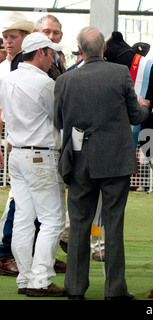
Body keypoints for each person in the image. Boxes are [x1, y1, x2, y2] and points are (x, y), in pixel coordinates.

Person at [54, 27, 151, 300]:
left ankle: (74, 288)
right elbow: (135, 116)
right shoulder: (120, 74)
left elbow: (59, 122)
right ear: (104, 50)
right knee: (113, 223)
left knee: (79, 225)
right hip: (115, 161)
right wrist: (146, 106)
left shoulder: (64, 81)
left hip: (78, 158)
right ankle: (115, 289)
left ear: (80, 50)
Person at [0, 32, 66, 297]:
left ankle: (26, 277)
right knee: (52, 220)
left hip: (17, 155)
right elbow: (58, 118)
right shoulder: (45, 84)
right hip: (40, 156)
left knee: (24, 220)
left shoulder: (7, 79)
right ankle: (40, 278)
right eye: (51, 53)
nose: (53, 59)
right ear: (40, 52)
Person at [0, 11, 34, 277]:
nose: (8, 42)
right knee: (18, 201)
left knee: (30, 202)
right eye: (6, 38)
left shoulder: (35, 66)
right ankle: (5, 253)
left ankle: (29, 252)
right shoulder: (2, 70)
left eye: (13, 37)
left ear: (26, 39)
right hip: (14, 145)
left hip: (28, 144)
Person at [34, 14, 66, 79]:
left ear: (61, 36)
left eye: (56, 33)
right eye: (47, 32)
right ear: (35, 33)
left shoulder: (57, 58)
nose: (51, 37)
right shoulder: (31, 58)